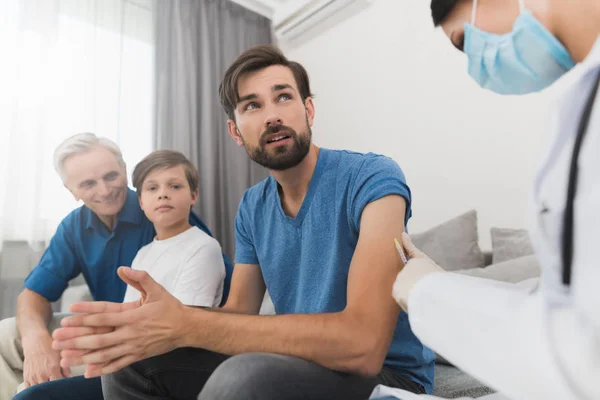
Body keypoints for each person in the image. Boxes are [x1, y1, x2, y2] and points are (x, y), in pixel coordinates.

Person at [52, 45, 435, 400]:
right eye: (252, 106)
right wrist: (155, 323)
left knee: (246, 376)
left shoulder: (372, 178)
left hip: (389, 377)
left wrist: (188, 323)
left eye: (283, 97)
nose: (272, 115)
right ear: (236, 132)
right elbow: (239, 312)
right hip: (300, 362)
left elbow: (363, 346)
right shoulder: (253, 206)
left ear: (309, 110)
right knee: (131, 362)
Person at [389, 0, 600, 399]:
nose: (476, 66)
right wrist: (438, 284)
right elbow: (566, 300)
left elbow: (582, 351)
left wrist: (428, 295)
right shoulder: (579, 105)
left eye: (465, 41)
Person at [0, 133, 232, 400]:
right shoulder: (75, 226)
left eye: (110, 176)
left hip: (151, 345)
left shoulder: (164, 213)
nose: (104, 190)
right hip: (113, 328)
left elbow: (216, 298)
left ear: (124, 170)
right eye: (88, 183)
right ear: (71, 190)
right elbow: (33, 294)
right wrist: (36, 343)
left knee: (31, 391)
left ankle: (31, 390)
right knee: (8, 333)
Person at [124, 149, 225, 308]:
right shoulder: (142, 254)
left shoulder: (203, 247)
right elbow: (129, 312)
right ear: (141, 202)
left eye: (175, 186)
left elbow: (184, 323)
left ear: (193, 196)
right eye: (152, 188)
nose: (163, 194)